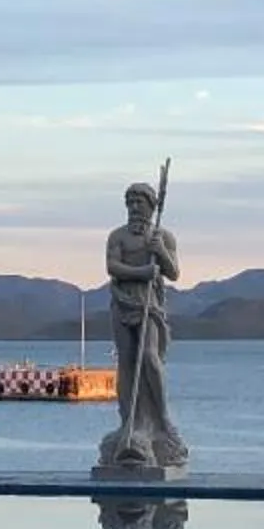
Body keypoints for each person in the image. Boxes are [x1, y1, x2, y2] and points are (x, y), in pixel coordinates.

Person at [98, 182, 184, 472]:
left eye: (140, 202)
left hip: (150, 305)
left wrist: (160, 252)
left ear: (152, 205)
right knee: (127, 361)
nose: (135, 208)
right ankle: (129, 422)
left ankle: (161, 419)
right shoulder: (117, 236)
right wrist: (141, 272)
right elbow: (113, 267)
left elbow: (173, 273)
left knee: (149, 357)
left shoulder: (162, 236)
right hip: (123, 303)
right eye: (130, 203)